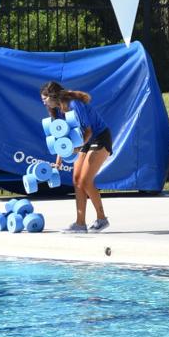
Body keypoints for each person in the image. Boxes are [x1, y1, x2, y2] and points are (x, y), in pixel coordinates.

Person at [40, 80, 113, 233]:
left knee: (86, 181)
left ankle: (102, 218)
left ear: (53, 96)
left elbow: (89, 131)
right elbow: (62, 139)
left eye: (45, 98)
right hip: (83, 142)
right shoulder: (57, 111)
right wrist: (58, 162)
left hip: (99, 138)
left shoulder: (74, 105)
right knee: (76, 181)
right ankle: (80, 224)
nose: (43, 102)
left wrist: (77, 148)